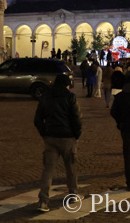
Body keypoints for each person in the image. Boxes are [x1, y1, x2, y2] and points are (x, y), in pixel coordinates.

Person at [34, 74, 82, 213]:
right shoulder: (70, 97)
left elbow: (37, 119)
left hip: (50, 137)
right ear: (66, 84)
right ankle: (73, 194)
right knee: (71, 167)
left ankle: (43, 200)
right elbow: (77, 119)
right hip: (67, 137)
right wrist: (76, 135)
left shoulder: (46, 97)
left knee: (48, 170)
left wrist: (44, 133)